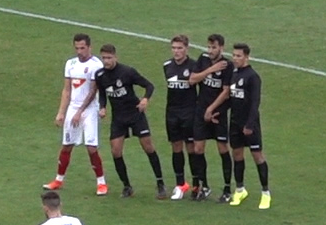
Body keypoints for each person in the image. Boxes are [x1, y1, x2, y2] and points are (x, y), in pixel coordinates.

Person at [95, 43, 166, 199]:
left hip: (135, 114)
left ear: (115, 57)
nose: (106, 61)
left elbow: (149, 86)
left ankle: (160, 183)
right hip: (118, 118)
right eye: (104, 58)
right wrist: (103, 107)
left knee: (148, 146)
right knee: (115, 151)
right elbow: (102, 94)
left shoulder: (127, 72)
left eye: (109, 58)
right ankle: (127, 186)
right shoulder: (100, 75)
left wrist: (145, 99)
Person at [44, 33, 107, 196]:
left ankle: (101, 182)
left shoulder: (96, 65)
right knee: (67, 144)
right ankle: (58, 179)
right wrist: (61, 112)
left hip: (89, 110)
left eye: (82, 48)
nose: (79, 52)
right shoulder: (70, 64)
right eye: (77, 48)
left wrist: (80, 112)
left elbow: (93, 91)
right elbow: (67, 90)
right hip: (73, 108)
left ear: (89, 47)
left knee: (91, 147)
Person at [211, 43, 271, 209]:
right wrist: (218, 112)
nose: (235, 59)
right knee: (237, 154)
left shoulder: (253, 77)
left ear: (247, 57)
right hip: (235, 122)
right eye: (234, 55)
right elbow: (232, 99)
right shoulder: (234, 74)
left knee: (257, 155)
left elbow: (255, 103)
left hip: (250, 124)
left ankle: (265, 193)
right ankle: (240, 189)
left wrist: (250, 124)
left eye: (238, 56)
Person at [187, 34, 235, 202]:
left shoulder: (228, 65)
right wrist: (210, 70)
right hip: (201, 111)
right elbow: (192, 80)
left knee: (222, 148)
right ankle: (204, 186)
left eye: (214, 47)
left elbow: (226, 91)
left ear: (221, 48)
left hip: (218, 113)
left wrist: (211, 109)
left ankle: (227, 189)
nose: (210, 50)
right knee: (198, 149)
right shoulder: (203, 59)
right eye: (209, 47)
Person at [161, 34, 203, 199]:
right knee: (176, 147)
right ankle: (180, 184)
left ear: (186, 48)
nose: (176, 51)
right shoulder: (167, 66)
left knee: (191, 148)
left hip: (189, 112)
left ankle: (196, 184)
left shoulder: (194, 66)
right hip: (172, 112)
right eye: (174, 48)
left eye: (180, 48)